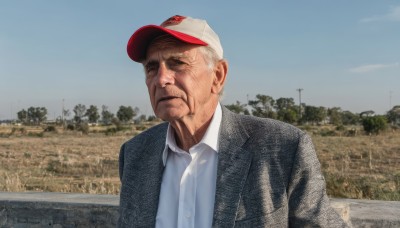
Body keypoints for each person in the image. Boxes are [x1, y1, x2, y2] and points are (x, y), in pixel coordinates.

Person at [118, 15, 348, 227]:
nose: (161, 79)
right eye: (152, 67)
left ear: (217, 76)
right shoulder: (135, 154)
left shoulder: (284, 148)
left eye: (177, 63)